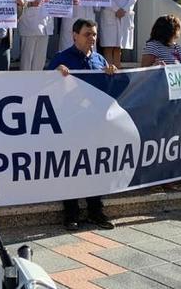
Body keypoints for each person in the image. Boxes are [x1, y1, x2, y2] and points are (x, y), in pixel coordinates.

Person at [47, 19, 117, 231]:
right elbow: (44, 86)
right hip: (71, 123)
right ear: (74, 35)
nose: (92, 38)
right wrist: (55, 73)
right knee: (72, 169)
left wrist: (111, 74)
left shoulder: (99, 60)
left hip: (94, 124)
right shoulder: (61, 59)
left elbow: (107, 91)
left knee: (94, 168)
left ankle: (96, 211)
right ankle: (71, 214)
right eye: (87, 34)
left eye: (94, 34)